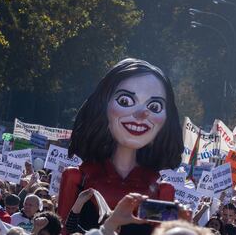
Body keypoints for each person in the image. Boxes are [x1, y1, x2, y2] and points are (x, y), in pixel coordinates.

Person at [59, 58, 184, 233]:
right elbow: (63, 229)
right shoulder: (78, 177)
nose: (141, 114)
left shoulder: (161, 189)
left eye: (154, 106)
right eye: (125, 101)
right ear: (103, 105)